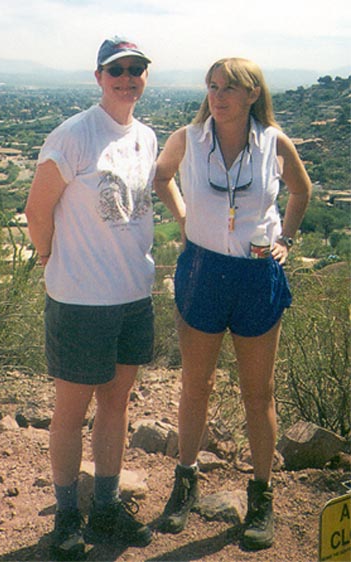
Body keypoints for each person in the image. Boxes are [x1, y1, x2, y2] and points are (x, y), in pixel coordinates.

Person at [153, 57, 312, 551]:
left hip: (255, 273)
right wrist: (183, 219)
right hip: (202, 271)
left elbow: (301, 189)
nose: (217, 96)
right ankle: (185, 481)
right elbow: (162, 178)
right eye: (212, 86)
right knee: (195, 385)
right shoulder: (189, 138)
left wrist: (285, 236)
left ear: (251, 95)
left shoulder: (272, 142)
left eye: (229, 88)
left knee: (257, 394)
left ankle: (261, 497)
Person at [25, 36, 157, 560]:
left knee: (117, 403)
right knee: (70, 410)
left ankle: (104, 505)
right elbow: (38, 211)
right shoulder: (74, 135)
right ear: (98, 77)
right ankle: (65, 517)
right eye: (117, 69)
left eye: (136, 69)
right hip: (81, 299)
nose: (127, 78)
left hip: (132, 295)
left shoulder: (145, 136)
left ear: (145, 76)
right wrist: (49, 260)